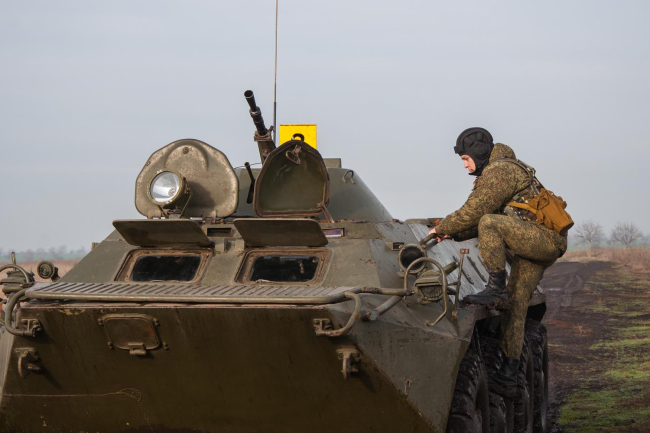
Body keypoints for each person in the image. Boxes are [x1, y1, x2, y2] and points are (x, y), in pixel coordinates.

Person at [428, 127, 567, 397]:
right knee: (515, 304)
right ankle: (508, 376)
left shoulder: (500, 171)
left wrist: (442, 227)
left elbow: (477, 213)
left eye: (465, 159)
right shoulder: (503, 169)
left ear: (479, 152)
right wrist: (451, 232)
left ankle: (495, 287)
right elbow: (478, 220)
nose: (465, 165)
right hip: (539, 240)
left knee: (489, 222)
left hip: (541, 238)